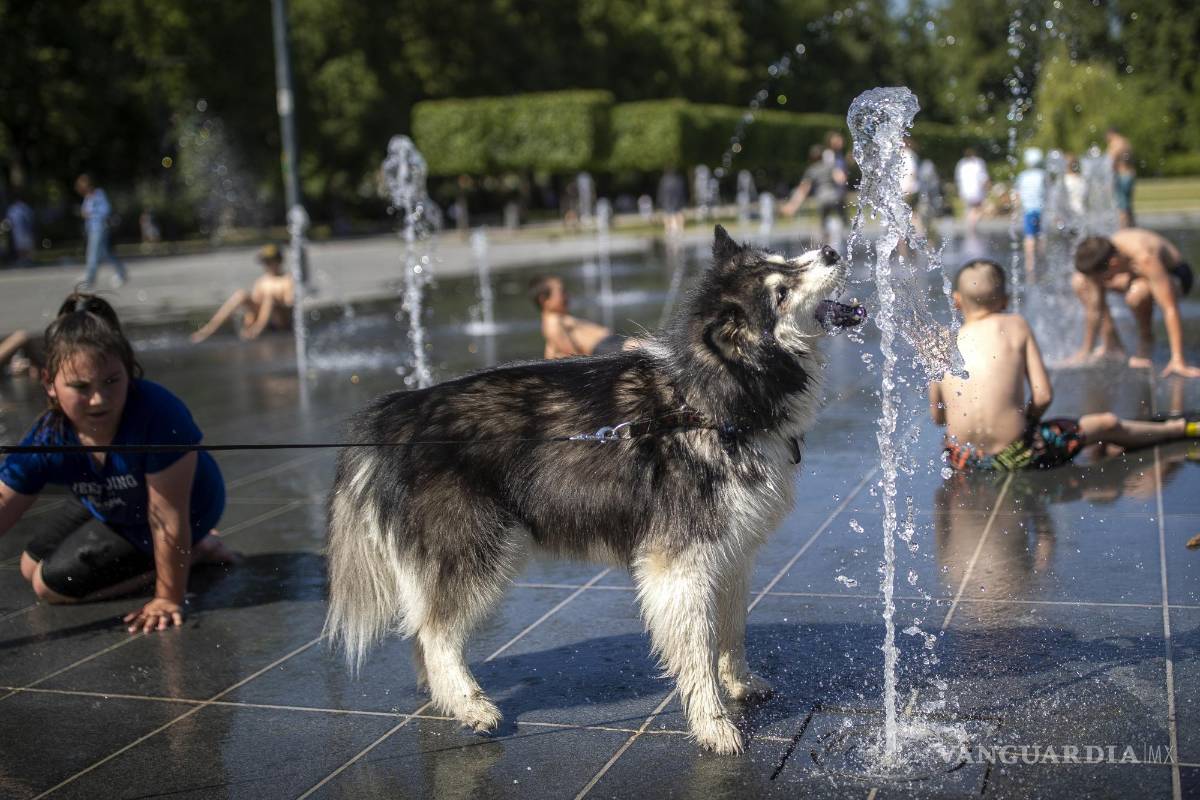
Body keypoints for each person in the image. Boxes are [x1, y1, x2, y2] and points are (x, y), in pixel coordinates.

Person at [0, 293, 235, 632]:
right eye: (80, 386)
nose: (99, 399)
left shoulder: (157, 412)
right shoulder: (49, 434)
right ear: (49, 383)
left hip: (185, 508)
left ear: (128, 370)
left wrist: (169, 596)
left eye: (111, 381)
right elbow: (5, 501)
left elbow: (167, 517)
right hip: (112, 499)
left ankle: (197, 548)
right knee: (27, 566)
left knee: (48, 586)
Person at [930, 259, 1197, 472]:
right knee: (1106, 423)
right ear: (1005, 300)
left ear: (957, 300)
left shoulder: (941, 341)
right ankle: (1177, 429)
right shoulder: (1014, 326)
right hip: (1017, 455)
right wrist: (1028, 421)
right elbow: (1044, 395)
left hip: (962, 459)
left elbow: (938, 416)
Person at [1071, 230, 1198, 377]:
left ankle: (1146, 340)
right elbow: (1094, 309)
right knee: (1080, 283)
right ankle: (1111, 343)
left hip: (1176, 275)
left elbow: (1170, 308)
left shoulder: (1144, 258)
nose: (1099, 282)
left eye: (1101, 277)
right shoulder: (1106, 252)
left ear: (1114, 264)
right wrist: (1086, 350)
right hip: (1134, 274)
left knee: (1138, 293)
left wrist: (1178, 360)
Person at [190, 244, 295, 343]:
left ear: (279, 261)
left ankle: (255, 331)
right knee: (241, 295)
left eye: (269, 261)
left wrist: (273, 300)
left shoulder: (287, 280)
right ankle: (209, 330)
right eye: (265, 262)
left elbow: (289, 304)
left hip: (280, 321)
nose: (267, 265)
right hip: (262, 320)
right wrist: (248, 322)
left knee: (269, 299)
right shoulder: (262, 281)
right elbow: (254, 306)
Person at [529, 275, 629, 358]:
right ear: (543, 300)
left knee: (642, 347)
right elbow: (575, 357)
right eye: (562, 292)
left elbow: (551, 352)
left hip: (609, 346)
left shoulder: (557, 319)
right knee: (642, 348)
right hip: (606, 348)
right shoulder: (553, 323)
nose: (567, 296)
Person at [781, 145, 847, 244]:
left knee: (824, 225)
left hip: (822, 199)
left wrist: (792, 206)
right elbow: (841, 178)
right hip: (835, 197)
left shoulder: (811, 170)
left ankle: (826, 246)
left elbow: (803, 190)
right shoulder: (829, 166)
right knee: (844, 221)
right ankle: (848, 242)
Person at [75, 174, 128, 289]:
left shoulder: (98, 194)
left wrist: (91, 213)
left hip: (99, 229)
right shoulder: (88, 197)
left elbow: (105, 210)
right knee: (106, 254)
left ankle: (90, 280)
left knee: (92, 254)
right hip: (92, 229)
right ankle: (122, 272)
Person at [1015, 148, 1046, 281]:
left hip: (1028, 210)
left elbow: (1017, 194)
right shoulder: (1043, 175)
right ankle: (1042, 260)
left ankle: (1030, 263)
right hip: (1041, 209)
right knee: (1041, 236)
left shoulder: (1023, 176)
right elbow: (1049, 193)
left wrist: (1016, 210)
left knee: (1029, 237)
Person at [954, 148, 990, 238]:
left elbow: (958, 178)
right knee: (979, 209)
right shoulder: (978, 163)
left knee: (971, 209)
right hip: (977, 190)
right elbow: (983, 178)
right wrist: (987, 187)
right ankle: (972, 227)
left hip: (965, 191)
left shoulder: (961, 163)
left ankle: (971, 226)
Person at [5, 194, 35, 265]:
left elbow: (9, 221)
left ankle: (26, 260)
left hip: (20, 231)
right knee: (23, 246)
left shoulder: (14, 209)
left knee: (22, 246)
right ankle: (26, 260)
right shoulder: (24, 208)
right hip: (22, 230)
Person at [657, 167, 686, 237]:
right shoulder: (678, 179)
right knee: (678, 213)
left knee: (667, 214)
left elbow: (661, 191)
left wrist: (660, 201)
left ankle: (667, 229)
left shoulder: (664, 179)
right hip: (676, 199)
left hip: (667, 200)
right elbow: (682, 191)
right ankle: (680, 229)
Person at [1114, 151, 1136, 228]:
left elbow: (1124, 189)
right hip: (1125, 204)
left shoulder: (1123, 174)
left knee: (1124, 226)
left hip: (1121, 204)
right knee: (1130, 224)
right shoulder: (1131, 173)